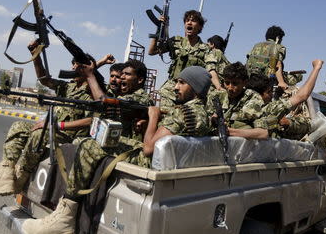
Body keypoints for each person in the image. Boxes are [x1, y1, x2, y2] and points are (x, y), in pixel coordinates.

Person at [22, 64, 209, 234]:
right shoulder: (202, 113)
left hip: (151, 160)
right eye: (177, 82)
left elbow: (149, 148)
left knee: (90, 144)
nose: (176, 87)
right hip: (172, 162)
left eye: (182, 83)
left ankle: (65, 216)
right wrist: (147, 125)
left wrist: (153, 117)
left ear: (196, 87)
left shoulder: (182, 112)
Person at [0, 41, 113, 197]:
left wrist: (57, 125)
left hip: (68, 134)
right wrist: (35, 55)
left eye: (76, 65)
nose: (72, 68)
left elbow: (92, 120)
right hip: (52, 128)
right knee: (18, 126)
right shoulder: (68, 87)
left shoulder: (95, 90)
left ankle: (21, 176)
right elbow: (44, 79)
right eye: (73, 65)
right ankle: (5, 173)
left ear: (85, 69)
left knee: (39, 134)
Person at [148, 10, 222, 110]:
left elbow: (211, 70)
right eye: (187, 20)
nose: (189, 23)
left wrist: (218, 87)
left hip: (193, 90)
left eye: (193, 20)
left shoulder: (206, 49)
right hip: (173, 87)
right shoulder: (175, 41)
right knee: (166, 113)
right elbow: (152, 51)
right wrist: (159, 28)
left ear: (200, 27)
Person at [252, 60, 324, 137]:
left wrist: (288, 123)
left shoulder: (291, 93)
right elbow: (302, 95)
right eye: (269, 92)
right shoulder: (256, 103)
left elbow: (308, 124)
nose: (270, 94)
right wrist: (316, 68)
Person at [207, 62, 268, 140]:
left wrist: (229, 131)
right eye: (227, 83)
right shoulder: (216, 96)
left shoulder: (252, 98)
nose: (230, 88)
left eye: (235, 83)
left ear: (244, 82)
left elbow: (263, 133)